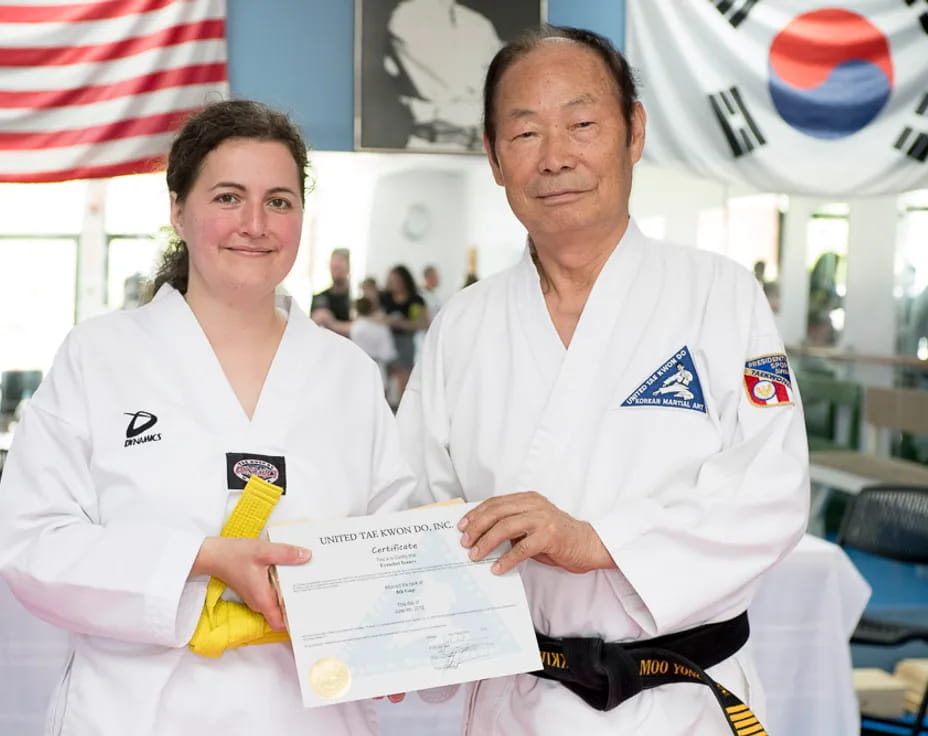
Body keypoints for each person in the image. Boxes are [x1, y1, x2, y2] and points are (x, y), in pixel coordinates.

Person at [397, 25, 809, 736]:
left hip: (682, 702)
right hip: (515, 704)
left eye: (582, 124)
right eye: (525, 134)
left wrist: (600, 542)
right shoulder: (462, 325)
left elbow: (770, 491)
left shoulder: (719, 296)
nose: (556, 158)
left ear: (634, 132)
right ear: (495, 158)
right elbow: (412, 505)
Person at [0, 100, 413, 736]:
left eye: (279, 201)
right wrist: (197, 559)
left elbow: (393, 545)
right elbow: (30, 544)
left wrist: (397, 631)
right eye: (228, 197)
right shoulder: (101, 355)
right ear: (177, 209)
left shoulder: (347, 374)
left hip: (309, 713)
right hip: (134, 712)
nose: (255, 223)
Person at [385, 0, 502, 150]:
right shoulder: (407, 17)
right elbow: (454, 83)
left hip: (482, 145)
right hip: (437, 145)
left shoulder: (477, 22)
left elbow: (503, 81)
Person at [381, 264, 429, 402]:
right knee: (383, 377)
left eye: (398, 280)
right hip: (386, 340)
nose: (395, 284)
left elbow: (424, 323)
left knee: (404, 377)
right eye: (392, 280)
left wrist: (402, 323)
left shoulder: (415, 300)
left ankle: (403, 409)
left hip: (405, 341)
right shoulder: (385, 297)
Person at [351, 295, 398, 390]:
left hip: (358, 367)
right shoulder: (381, 327)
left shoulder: (355, 327)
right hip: (377, 367)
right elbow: (387, 353)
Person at [311, 247, 352, 336]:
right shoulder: (320, 297)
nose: (336, 271)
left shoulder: (355, 299)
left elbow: (360, 328)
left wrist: (333, 324)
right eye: (334, 267)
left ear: (348, 267)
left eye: (340, 267)